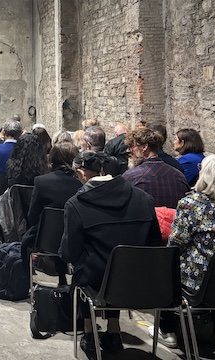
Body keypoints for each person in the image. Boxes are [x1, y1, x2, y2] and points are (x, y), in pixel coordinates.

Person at [150, 154, 215, 350]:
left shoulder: (193, 204)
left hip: (200, 285)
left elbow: (176, 244)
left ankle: (167, 329)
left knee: (169, 265)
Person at [60, 151, 162, 354]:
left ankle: (89, 333)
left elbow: (69, 253)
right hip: (141, 283)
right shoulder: (144, 199)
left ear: (81, 174)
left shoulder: (76, 204)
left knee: (89, 268)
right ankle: (113, 331)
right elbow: (155, 244)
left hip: (98, 282)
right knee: (119, 264)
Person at [21, 142, 81, 282]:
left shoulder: (42, 182)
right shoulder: (81, 183)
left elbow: (32, 215)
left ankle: (26, 279)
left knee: (25, 240)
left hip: (45, 239)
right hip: (75, 238)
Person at [123, 127, 189, 209]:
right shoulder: (178, 176)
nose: (128, 151)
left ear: (144, 147)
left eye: (131, 146)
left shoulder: (131, 176)